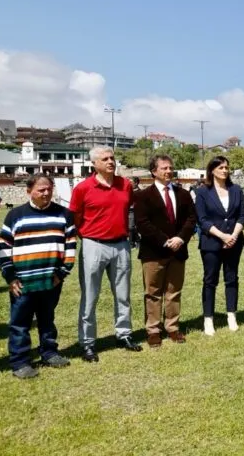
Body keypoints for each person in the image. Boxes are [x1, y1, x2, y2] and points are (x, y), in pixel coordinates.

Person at [0, 175, 77, 378]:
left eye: (49, 189)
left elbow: (70, 247)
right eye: (41, 189)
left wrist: (62, 273)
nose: (46, 193)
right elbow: (4, 248)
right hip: (22, 282)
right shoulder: (15, 215)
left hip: (51, 279)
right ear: (29, 191)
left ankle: (49, 352)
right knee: (19, 323)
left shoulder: (64, 214)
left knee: (47, 319)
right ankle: (20, 362)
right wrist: (10, 278)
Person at [70, 146, 141, 362]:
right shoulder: (83, 188)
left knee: (123, 294)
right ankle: (88, 343)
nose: (111, 161)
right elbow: (75, 217)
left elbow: (128, 209)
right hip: (94, 244)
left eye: (112, 158)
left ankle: (124, 334)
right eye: (105, 159)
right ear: (94, 164)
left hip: (121, 245)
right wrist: (87, 237)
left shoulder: (125, 185)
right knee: (90, 296)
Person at [133, 155, 197, 348]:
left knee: (173, 291)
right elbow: (142, 223)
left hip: (178, 251)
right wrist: (164, 241)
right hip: (153, 252)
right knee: (152, 292)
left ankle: (172, 327)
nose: (169, 171)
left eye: (170, 168)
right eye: (164, 168)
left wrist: (180, 238)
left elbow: (191, 219)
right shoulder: (143, 196)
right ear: (154, 171)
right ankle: (153, 330)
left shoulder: (183, 194)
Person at [195, 156, 244, 335]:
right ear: (212, 170)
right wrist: (222, 236)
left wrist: (233, 235)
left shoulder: (236, 190)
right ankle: (208, 318)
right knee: (210, 280)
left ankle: (231, 314)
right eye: (220, 168)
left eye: (226, 167)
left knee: (232, 279)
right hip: (211, 242)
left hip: (234, 241)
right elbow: (202, 219)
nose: (224, 170)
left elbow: (242, 215)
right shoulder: (203, 192)